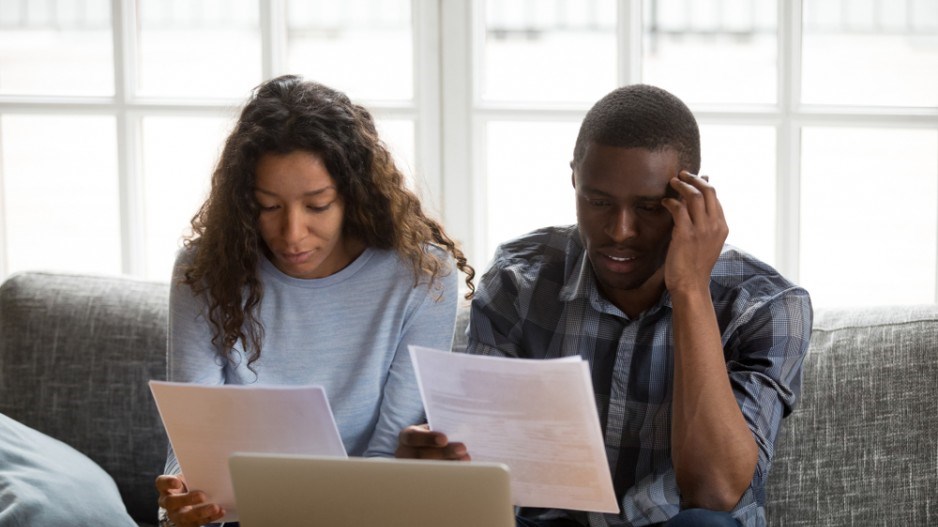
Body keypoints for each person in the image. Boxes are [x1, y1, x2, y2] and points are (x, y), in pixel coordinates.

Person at [397, 84, 812, 527]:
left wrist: (690, 288)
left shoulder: (766, 307)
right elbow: (482, 462)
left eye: (650, 208)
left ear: (691, 199)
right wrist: (438, 454)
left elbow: (716, 491)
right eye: (597, 202)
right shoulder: (519, 280)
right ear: (574, 179)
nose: (620, 230)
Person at [155, 74, 474, 527]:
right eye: (268, 206)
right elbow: (191, 447)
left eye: (318, 205)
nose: (292, 234)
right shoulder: (205, 270)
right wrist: (183, 500)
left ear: (354, 195)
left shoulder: (420, 277)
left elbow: (390, 456)